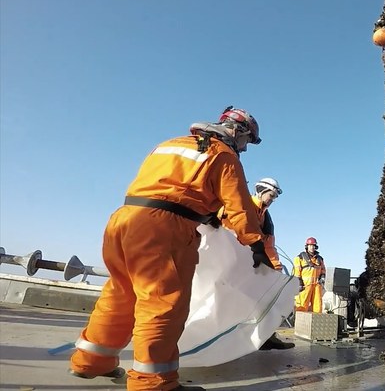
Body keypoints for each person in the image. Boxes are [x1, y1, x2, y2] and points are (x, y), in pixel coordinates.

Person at [69, 106, 274, 391]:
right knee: (162, 305)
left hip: (124, 220)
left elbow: (171, 186)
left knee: (120, 294)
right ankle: (154, 383)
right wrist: (255, 243)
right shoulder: (223, 156)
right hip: (164, 229)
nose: (245, 149)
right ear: (237, 131)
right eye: (246, 142)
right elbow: (239, 208)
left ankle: (91, 361)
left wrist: (206, 214)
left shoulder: (168, 145)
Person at [219, 177, 284, 271]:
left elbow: (268, 245)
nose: (272, 200)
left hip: (244, 261)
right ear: (261, 191)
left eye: (274, 198)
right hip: (222, 251)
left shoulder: (266, 220)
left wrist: (276, 267)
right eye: (271, 195)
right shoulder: (240, 204)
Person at [293, 237, 326, 313]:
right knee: (302, 305)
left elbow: (323, 270)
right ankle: (300, 323)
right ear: (307, 246)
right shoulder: (300, 258)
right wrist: (299, 283)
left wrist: (322, 278)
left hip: (317, 285)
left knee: (318, 306)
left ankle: (317, 323)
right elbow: (297, 272)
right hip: (305, 286)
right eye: (310, 245)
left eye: (313, 245)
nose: (312, 247)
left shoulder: (320, 259)